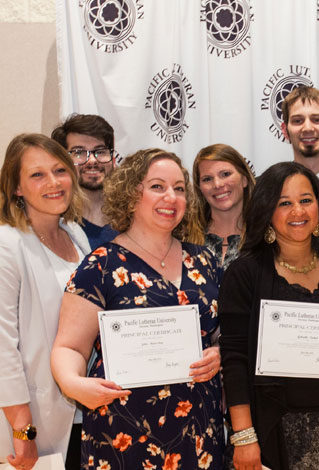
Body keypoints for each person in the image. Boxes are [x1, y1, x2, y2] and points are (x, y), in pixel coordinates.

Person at [51, 149, 227, 469]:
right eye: (157, 186)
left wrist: (218, 354)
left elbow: (222, 335)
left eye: (178, 188)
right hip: (123, 434)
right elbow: (69, 346)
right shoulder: (101, 264)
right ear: (132, 194)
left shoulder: (205, 261)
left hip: (199, 433)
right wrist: (73, 384)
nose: (171, 197)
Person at [219, 162, 319, 470]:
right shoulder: (245, 273)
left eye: (305, 200)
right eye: (284, 203)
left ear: (318, 204)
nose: (297, 211)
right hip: (272, 429)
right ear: (267, 211)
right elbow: (235, 359)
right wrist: (244, 435)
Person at [0, 134, 89, 470]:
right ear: (17, 188)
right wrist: (23, 430)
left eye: (59, 170)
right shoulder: (0, 246)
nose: (53, 182)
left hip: (79, 413)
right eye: (37, 175)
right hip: (29, 425)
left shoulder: (76, 236)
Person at [51, 114, 119, 248]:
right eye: (79, 153)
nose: (92, 161)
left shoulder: (133, 219)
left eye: (100, 151)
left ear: (113, 160)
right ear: (62, 162)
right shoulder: (55, 224)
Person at [194, 143, 255, 269]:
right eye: (207, 179)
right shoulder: (186, 237)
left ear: (244, 179)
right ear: (200, 188)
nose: (217, 184)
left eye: (225, 174)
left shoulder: (265, 236)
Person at [281, 86, 319, 193]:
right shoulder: (270, 188)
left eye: (316, 120)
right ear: (285, 131)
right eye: (297, 121)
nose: (308, 128)